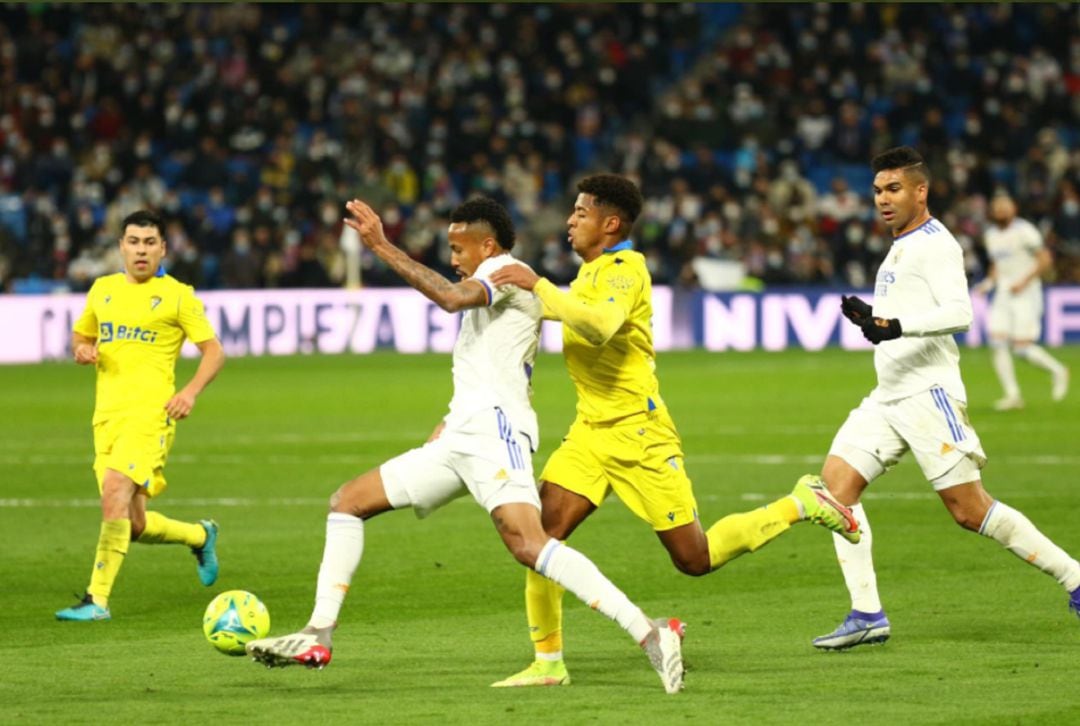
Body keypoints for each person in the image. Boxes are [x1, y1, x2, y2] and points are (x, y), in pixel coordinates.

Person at [245, 197, 687, 694]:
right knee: (347, 503)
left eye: (459, 249)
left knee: (531, 545)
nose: (453, 258)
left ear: (488, 245)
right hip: (461, 433)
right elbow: (486, 354)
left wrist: (381, 246)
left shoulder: (505, 271)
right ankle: (318, 633)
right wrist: (451, 419)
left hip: (496, 433)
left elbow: (451, 298)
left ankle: (649, 633)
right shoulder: (497, 273)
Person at [485, 173, 860, 688]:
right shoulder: (590, 272)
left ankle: (801, 503)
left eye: (581, 212)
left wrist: (537, 285)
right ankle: (548, 663)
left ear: (610, 224)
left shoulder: (626, 270)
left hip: (640, 434)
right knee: (541, 540)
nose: (569, 220)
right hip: (590, 432)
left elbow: (599, 326)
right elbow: (555, 309)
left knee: (694, 558)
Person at [813, 147, 1080, 650]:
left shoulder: (936, 244)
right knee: (836, 490)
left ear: (921, 191)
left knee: (969, 510)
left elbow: (961, 313)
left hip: (926, 394)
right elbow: (903, 316)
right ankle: (867, 613)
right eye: (878, 191)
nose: (883, 199)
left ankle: (1076, 578)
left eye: (894, 189)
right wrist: (876, 318)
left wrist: (894, 326)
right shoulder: (901, 245)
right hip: (888, 395)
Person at [56, 209, 225, 622]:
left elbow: (214, 352)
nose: (141, 250)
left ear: (163, 248)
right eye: (134, 242)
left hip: (150, 416)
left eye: (150, 243)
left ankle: (96, 600)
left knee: (114, 491)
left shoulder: (178, 295)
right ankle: (200, 535)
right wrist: (81, 349)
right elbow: (81, 334)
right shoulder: (103, 290)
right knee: (132, 523)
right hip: (106, 418)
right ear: (121, 247)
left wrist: (189, 392)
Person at [973, 194, 1069, 410]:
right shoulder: (991, 235)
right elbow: (997, 265)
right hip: (1003, 294)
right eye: (997, 208)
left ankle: (1058, 370)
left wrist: (1024, 281)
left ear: (1014, 209)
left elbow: (1045, 259)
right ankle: (1013, 395)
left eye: (1004, 207)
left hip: (1026, 293)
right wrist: (988, 283)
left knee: (1021, 348)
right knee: (997, 342)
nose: (1000, 211)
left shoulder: (1025, 231)